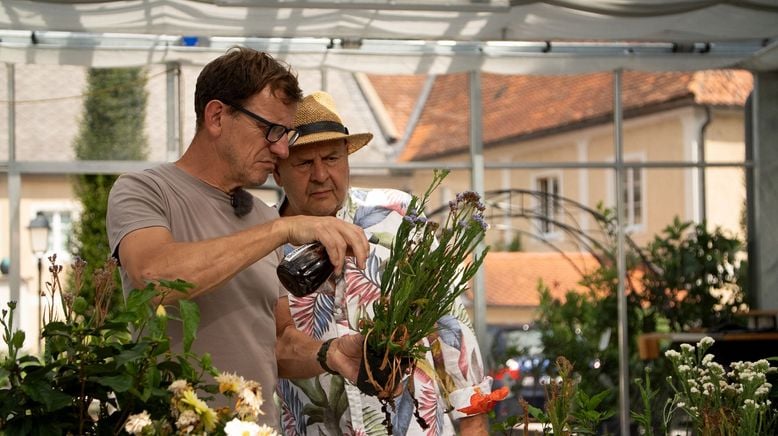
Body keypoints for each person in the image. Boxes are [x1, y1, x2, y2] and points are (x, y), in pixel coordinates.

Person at [106, 47, 370, 428]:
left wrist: (330, 354)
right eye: (272, 131)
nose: (281, 149)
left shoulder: (261, 218)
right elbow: (155, 276)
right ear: (217, 116)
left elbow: (278, 343)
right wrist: (281, 228)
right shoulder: (145, 190)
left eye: (286, 134)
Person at [273, 91, 492, 435]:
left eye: (331, 158)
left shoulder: (398, 215)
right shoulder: (263, 243)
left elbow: (450, 324)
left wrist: (473, 420)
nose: (320, 175)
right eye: (303, 163)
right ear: (276, 171)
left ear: (347, 158)